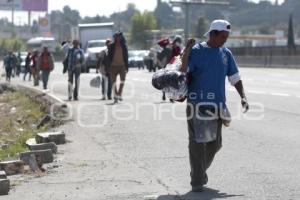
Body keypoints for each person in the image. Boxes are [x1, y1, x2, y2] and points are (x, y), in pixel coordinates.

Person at [180, 19, 249, 192]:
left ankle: (199, 170)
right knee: (197, 142)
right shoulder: (197, 51)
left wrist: (243, 97)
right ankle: (197, 180)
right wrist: (186, 52)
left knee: (215, 143)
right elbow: (183, 72)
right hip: (196, 104)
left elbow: (235, 77)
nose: (225, 39)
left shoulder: (226, 54)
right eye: (223, 36)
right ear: (213, 34)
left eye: (227, 36)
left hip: (217, 105)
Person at [107, 32, 129, 103]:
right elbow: (109, 57)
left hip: (122, 66)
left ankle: (119, 94)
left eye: (119, 37)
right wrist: (108, 66)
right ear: (115, 38)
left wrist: (127, 66)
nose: (118, 39)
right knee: (113, 82)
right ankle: (116, 96)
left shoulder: (124, 46)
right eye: (116, 37)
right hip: (113, 66)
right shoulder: (111, 46)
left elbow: (126, 57)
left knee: (122, 81)